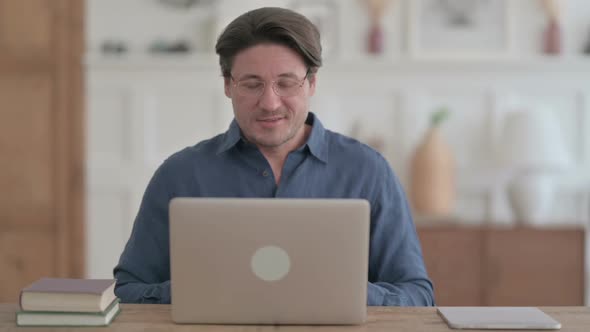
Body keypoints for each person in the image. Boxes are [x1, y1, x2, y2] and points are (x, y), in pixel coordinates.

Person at [114, 7, 435, 306]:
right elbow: (129, 289)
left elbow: (417, 294)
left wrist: (344, 292)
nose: (269, 103)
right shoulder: (180, 174)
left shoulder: (368, 170)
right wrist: (198, 288)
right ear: (228, 85)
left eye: (286, 83)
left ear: (311, 83)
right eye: (252, 84)